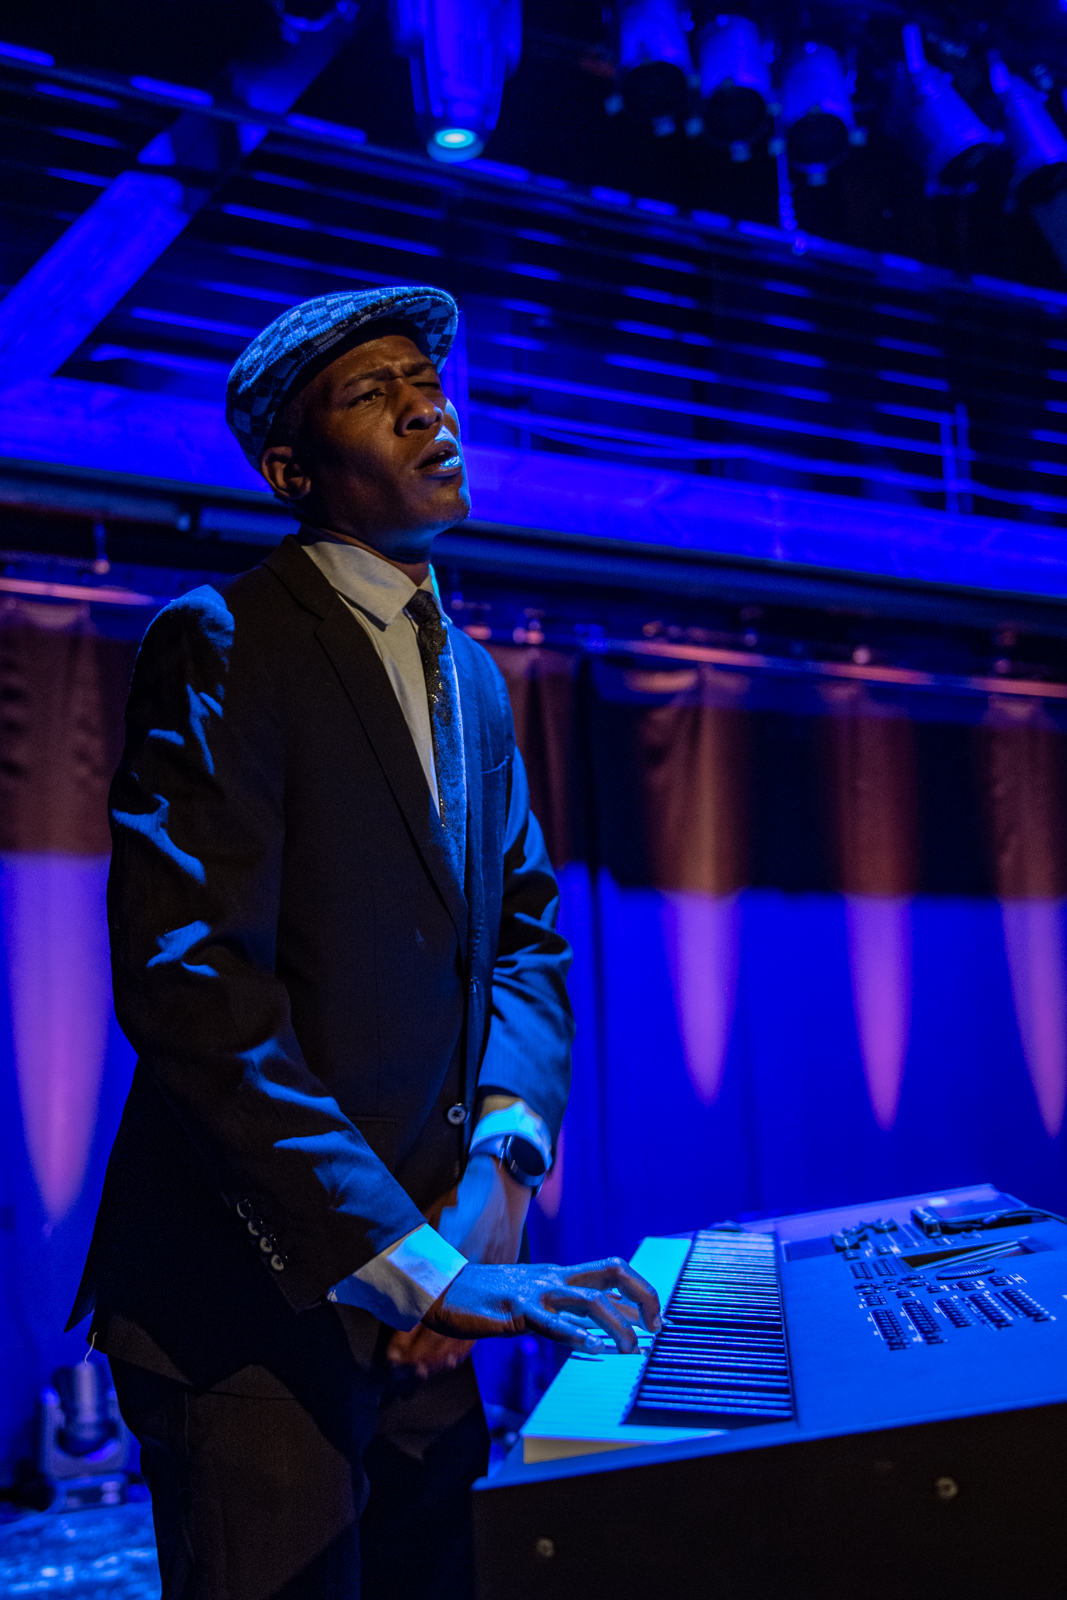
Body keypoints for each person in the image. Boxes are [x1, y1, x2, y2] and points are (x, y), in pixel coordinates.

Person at [69, 284, 660, 1600]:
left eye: (429, 383)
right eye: (374, 392)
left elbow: (523, 940)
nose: (426, 409)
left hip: (436, 1302)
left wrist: (500, 1172)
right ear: (293, 471)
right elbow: (193, 987)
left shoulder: (475, 678)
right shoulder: (224, 639)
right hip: (253, 1312)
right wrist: (417, 1266)